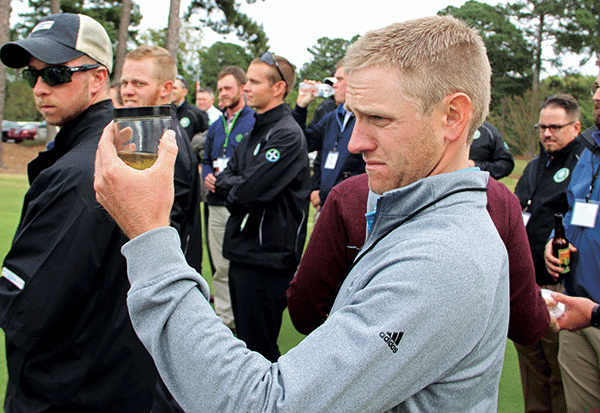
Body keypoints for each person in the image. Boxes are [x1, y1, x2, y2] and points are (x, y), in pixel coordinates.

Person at [94, 16, 509, 412]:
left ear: (453, 117)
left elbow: (263, 404)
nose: (355, 142)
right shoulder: (416, 218)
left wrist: (149, 233)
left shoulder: (441, 260)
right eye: (356, 116)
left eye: (379, 118)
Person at [0, 13, 157, 412]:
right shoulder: (120, 144)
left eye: (54, 74)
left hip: (68, 389)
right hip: (110, 376)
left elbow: (27, 309)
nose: (39, 88)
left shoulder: (79, 171)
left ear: (98, 79)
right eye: (31, 76)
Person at [287, 172, 552, 345]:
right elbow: (527, 322)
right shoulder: (499, 201)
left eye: (379, 118)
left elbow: (306, 309)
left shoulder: (350, 196)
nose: (356, 142)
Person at [210, 53, 310, 361]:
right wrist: (235, 183)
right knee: (245, 344)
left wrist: (234, 184)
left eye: (254, 82)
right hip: (243, 249)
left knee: (260, 347)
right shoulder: (256, 128)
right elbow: (227, 176)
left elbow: (247, 194)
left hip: (268, 257)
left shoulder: (287, 134)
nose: (246, 88)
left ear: (278, 88)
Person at [120, 44, 204, 413]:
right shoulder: (144, 129)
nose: (128, 90)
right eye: (124, 82)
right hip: (149, 276)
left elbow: (163, 217)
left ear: (166, 90)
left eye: (138, 82)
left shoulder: (165, 139)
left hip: (163, 279)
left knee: (156, 383)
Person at [513, 93, 585, 412]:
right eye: (541, 126)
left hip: (560, 288)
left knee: (560, 374)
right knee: (532, 372)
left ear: (576, 127)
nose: (546, 133)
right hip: (527, 285)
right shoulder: (534, 165)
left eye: (555, 127)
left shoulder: (586, 167)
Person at [544, 64, 600, 412]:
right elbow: (571, 208)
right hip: (578, 308)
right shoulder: (591, 150)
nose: (596, 96)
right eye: (597, 85)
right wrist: (554, 239)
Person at [202, 66, 255, 331]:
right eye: (220, 88)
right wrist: (207, 174)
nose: (222, 93)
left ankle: (246, 317)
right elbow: (206, 160)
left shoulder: (254, 121)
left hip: (241, 206)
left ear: (243, 89)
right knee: (220, 267)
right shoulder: (214, 126)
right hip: (215, 205)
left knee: (243, 267)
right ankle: (226, 320)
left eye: (227, 88)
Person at [292, 59, 365, 211]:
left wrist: (326, 194)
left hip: (351, 209)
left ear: (355, 81)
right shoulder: (331, 117)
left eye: (339, 79)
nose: (334, 85)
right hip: (326, 206)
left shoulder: (367, 119)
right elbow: (303, 144)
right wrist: (301, 108)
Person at [172, 74, 209, 141]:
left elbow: (207, 140)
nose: (171, 91)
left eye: (174, 88)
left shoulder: (196, 114)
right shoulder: (167, 113)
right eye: (170, 88)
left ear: (185, 92)